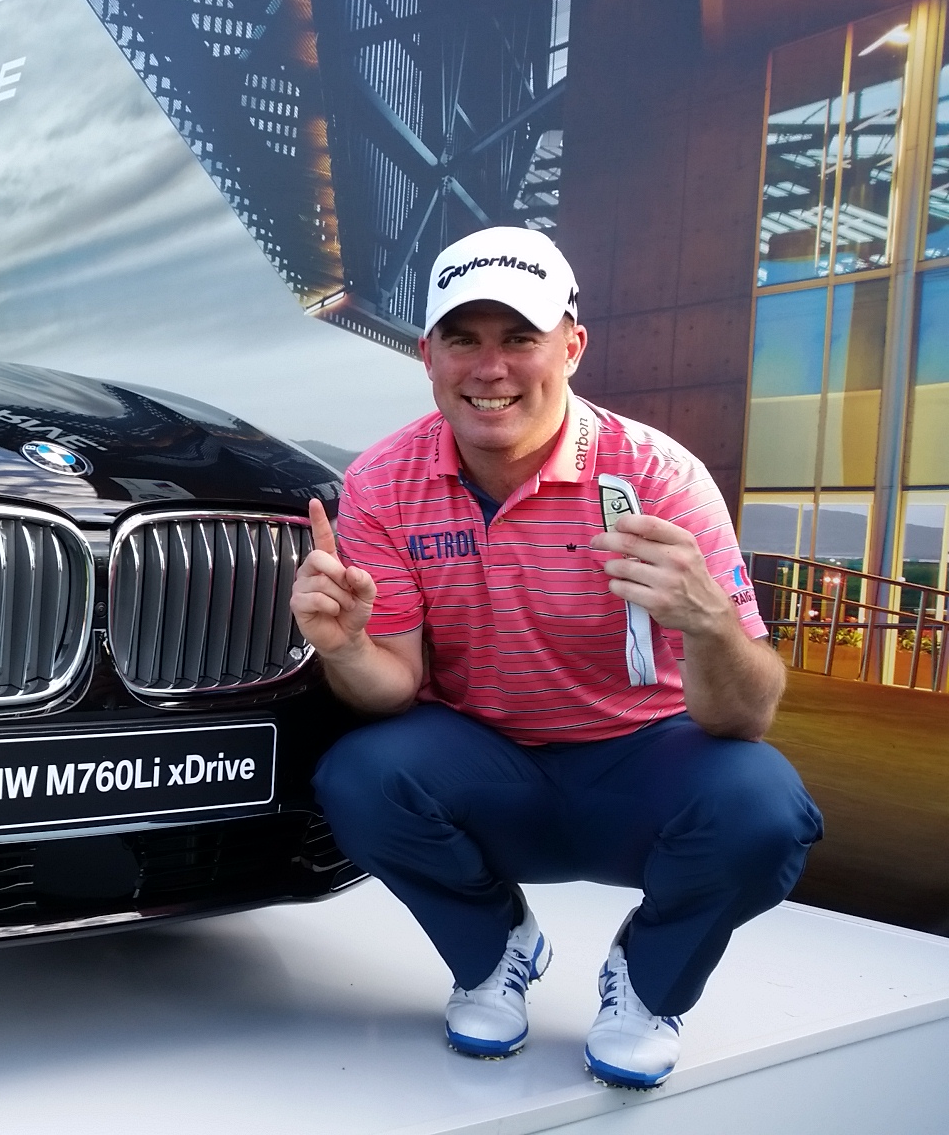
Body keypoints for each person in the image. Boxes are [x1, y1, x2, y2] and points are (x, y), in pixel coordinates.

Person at [293, 225, 822, 1089]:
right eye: (464, 339)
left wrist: (713, 625)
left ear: (571, 346)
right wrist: (346, 647)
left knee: (763, 807)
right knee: (361, 774)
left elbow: (745, 716)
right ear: (427, 355)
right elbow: (392, 690)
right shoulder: (383, 482)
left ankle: (648, 983)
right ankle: (496, 946)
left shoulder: (657, 475)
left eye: (520, 339)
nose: (490, 368)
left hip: (641, 767)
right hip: (489, 767)